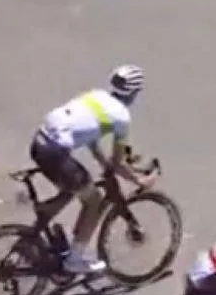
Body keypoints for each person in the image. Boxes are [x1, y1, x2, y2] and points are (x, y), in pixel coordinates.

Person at [28, 65, 155, 274]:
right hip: (56, 154)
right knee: (94, 201)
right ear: (134, 92)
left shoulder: (96, 96)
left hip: (39, 144)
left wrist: (104, 164)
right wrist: (139, 181)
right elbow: (118, 163)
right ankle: (74, 260)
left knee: (74, 186)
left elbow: (91, 139)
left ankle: (47, 212)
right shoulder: (121, 117)